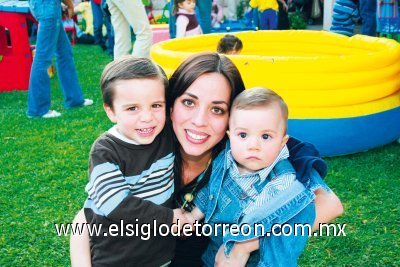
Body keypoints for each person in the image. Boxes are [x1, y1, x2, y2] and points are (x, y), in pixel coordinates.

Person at [70, 52, 344, 266]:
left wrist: (243, 244)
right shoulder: (148, 144)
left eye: (217, 109)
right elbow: (86, 216)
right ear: (170, 103)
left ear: (233, 117)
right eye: (189, 103)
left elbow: (329, 204)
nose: (199, 122)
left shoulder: (250, 148)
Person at [184, 87, 317, 266]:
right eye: (243, 135)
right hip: (215, 252)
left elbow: (266, 226)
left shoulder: (282, 183)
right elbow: (212, 191)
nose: (253, 145)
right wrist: (193, 216)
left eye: (265, 136)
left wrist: (238, 247)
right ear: (231, 137)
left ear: (282, 142)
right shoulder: (226, 159)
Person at [83, 56, 187, 266]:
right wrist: (169, 219)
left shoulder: (165, 134)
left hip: (160, 255)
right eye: (132, 108)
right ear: (110, 111)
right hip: (116, 257)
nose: (147, 117)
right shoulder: (105, 151)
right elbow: (117, 205)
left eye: (156, 105)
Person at [27, 0, 93, 118]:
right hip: (47, 7)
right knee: (43, 58)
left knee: (64, 53)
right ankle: (38, 109)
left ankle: (75, 99)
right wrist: (70, 5)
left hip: (44, 5)